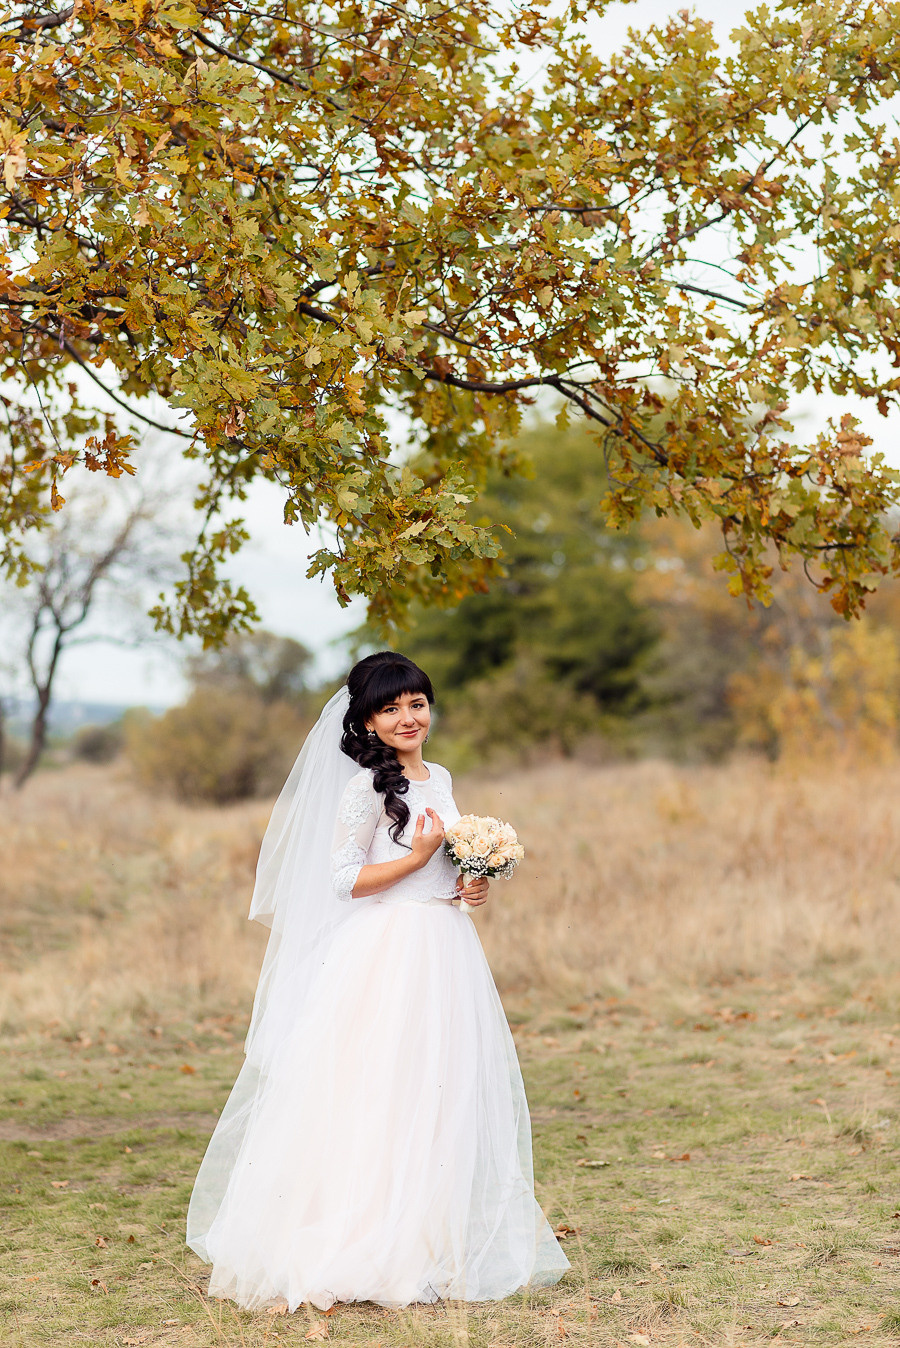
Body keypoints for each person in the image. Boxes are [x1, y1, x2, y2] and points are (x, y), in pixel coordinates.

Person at [186, 651, 570, 1311]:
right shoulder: (364, 788)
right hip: (388, 951)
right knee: (380, 1090)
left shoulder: (440, 777)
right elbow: (344, 880)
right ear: (367, 720)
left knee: (435, 1090)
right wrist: (416, 860)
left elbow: (441, 870)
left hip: (445, 946)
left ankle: (417, 1243)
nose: (407, 717)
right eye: (390, 708)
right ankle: (359, 1242)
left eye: (416, 703)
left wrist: (468, 883)